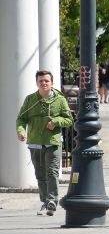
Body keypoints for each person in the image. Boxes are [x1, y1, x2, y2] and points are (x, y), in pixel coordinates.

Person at [15, 70, 74, 216]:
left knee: (52, 172)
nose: (44, 83)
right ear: (37, 83)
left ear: (52, 83)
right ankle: (45, 202)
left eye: (46, 81)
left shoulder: (60, 100)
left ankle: (52, 200)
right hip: (35, 142)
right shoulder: (30, 100)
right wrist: (21, 131)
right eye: (41, 81)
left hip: (53, 142)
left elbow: (69, 120)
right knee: (40, 174)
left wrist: (55, 121)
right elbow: (21, 119)